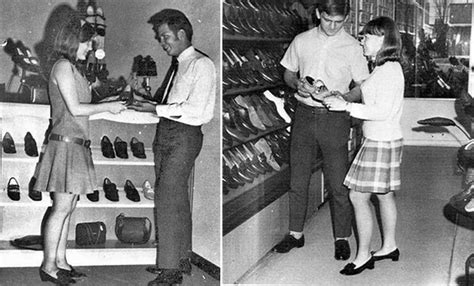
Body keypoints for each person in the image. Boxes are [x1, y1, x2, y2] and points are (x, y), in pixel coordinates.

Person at [34, 14, 127, 285]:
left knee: (68, 207)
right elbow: (75, 110)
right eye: (87, 43)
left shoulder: (74, 70)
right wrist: (107, 106)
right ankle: (49, 266)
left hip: (76, 146)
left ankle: (61, 262)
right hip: (65, 145)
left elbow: (83, 111)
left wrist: (110, 101)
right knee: (61, 208)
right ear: (73, 40)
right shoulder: (62, 66)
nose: (90, 48)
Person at [273, 0, 369, 261]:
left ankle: (342, 237)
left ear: (346, 18)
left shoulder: (353, 47)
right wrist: (297, 85)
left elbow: (361, 86)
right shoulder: (301, 40)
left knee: (339, 183)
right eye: (328, 20)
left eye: (339, 22)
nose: (333, 26)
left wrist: (344, 96)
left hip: (335, 118)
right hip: (303, 116)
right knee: (298, 180)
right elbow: (288, 73)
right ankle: (295, 234)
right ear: (318, 13)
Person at [128, 9, 216, 286]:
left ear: (181, 34)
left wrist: (156, 107)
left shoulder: (201, 64)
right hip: (166, 134)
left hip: (185, 136)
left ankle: (170, 270)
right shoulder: (179, 64)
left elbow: (198, 112)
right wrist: (145, 101)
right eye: (159, 37)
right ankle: (180, 260)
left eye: (164, 36)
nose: (161, 42)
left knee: (166, 198)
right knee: (176, 199)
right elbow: (168, 106)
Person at [324, 16, 404, 275]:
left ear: (383, 39)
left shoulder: (389, 69)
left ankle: (363, 256)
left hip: (380, 140)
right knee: (384, 194)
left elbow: (382, 111)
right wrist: (338, 98)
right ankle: (389, 245)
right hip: (384, 139)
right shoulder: (383, 68)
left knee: (358, 196)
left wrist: (346, 106)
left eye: (367, 37)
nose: (362, 41)